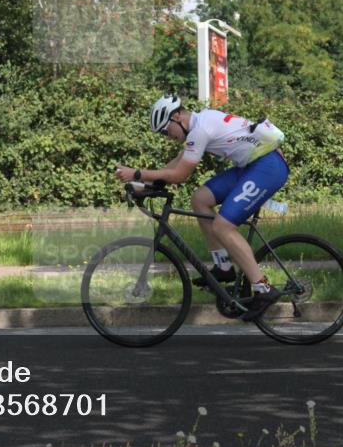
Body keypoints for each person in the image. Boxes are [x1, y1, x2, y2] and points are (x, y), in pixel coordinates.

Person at [115, 94, 289, 321]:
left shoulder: (200, 129)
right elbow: (176, 164)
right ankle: (223, 266)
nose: (168, 137)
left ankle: (264, 288)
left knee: (223, 226)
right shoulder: (198, 125)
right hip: (250, 166)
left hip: (267, 167)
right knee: (200, 199)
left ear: (177, 117)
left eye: (166, 131)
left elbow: (179, 176)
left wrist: (136, 173)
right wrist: (143, 186)